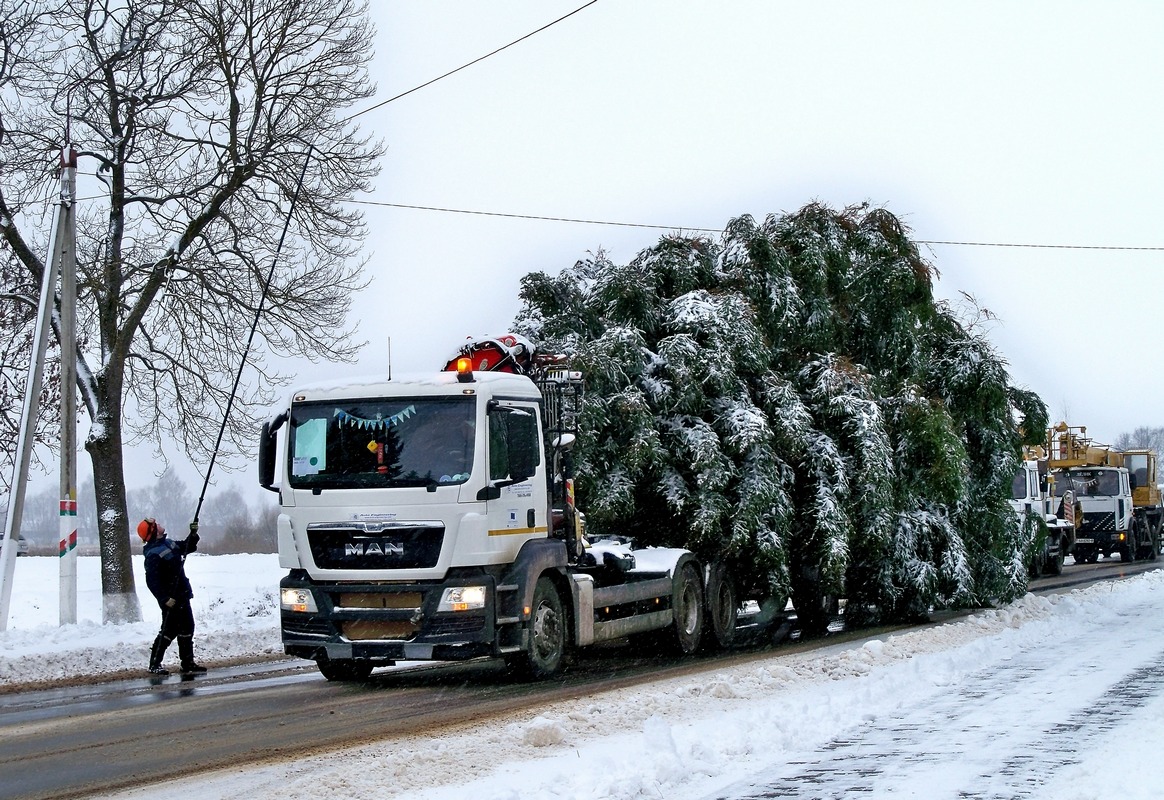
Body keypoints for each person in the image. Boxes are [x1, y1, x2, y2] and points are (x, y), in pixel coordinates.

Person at [138, 517, 206, 676]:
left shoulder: (169, 544)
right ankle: (155, 663)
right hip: (171, 599)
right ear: (154, 532)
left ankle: (187, 663)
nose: (160, 525)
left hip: (182, 594)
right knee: (169, 630)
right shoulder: (153, 554)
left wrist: (193, 534)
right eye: (156, 525)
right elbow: (152, 581)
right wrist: (164, 599)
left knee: (187, 627)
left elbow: (187, 547)